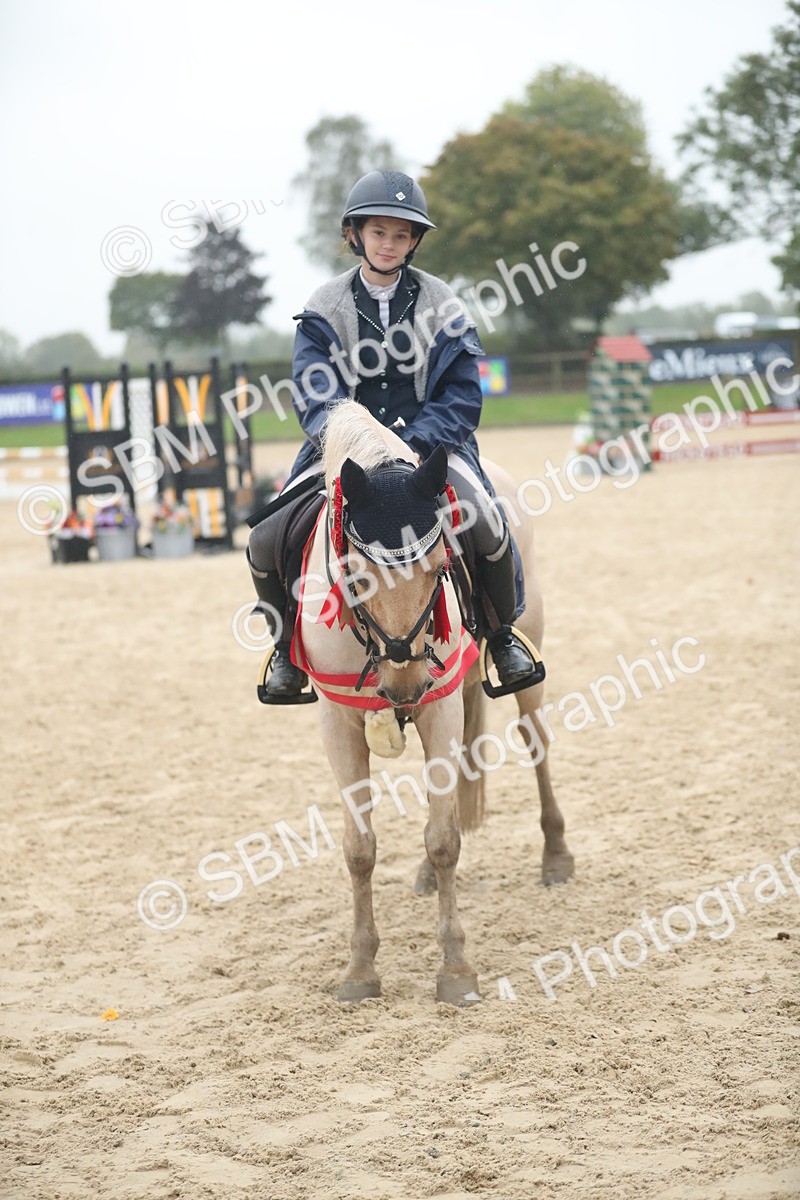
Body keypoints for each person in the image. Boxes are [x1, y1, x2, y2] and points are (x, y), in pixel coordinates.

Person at [248, 169, 534, 700]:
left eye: (402, 235)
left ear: (414, 241)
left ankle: (501, 637)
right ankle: (286, 650)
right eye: (379, 232)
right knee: (266, 537)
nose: (389, 244)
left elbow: (462, 394)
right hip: (343, 451)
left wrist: (416, 442)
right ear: (355, 234)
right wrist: (359, 444)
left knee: (488, 522)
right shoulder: (324, 305)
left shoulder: (443, 303)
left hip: (428, 449)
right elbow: (315, 392)